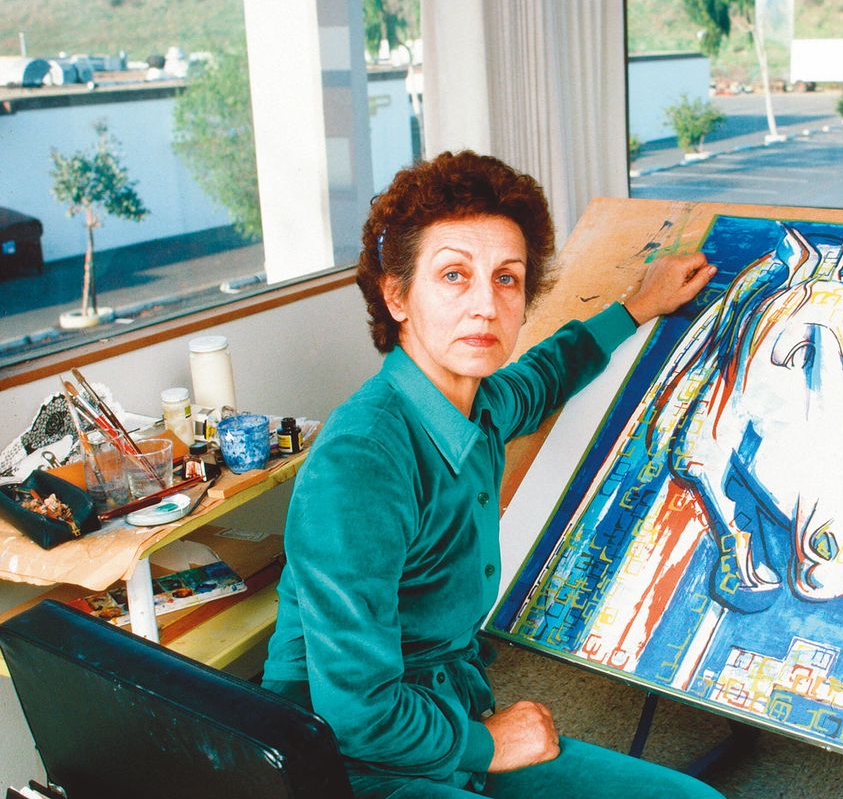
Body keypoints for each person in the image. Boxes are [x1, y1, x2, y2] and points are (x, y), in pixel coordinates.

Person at [261, 150, 725, 799]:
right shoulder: (361, 462)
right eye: (454, 275)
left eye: (507, 279)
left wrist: (638, 305)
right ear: (397, 295)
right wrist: (490, 743)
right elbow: (357, 715)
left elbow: (543, 375)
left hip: (445, 716)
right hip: (349, 765)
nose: (486, 304)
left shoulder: (476, 404)